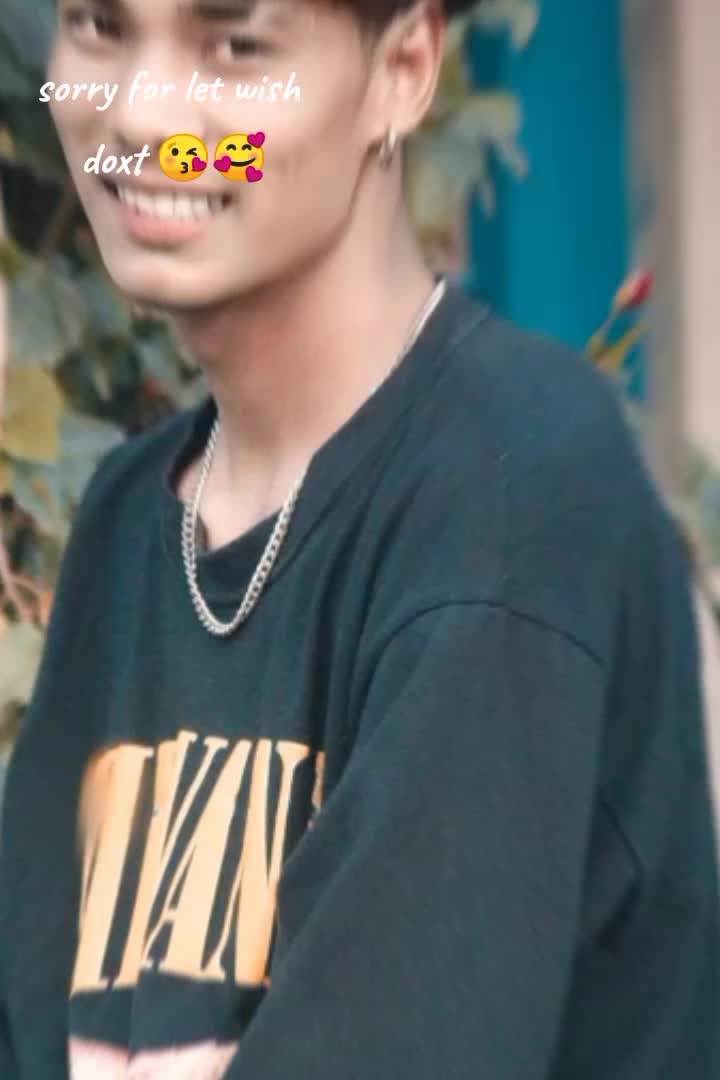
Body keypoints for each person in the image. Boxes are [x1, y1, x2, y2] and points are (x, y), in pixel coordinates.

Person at [1, 0, 719, 1076]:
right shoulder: (124, 520)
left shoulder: (514, 497)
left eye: (237, 45)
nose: (143, 117)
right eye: (100, 25)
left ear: (405, 69)